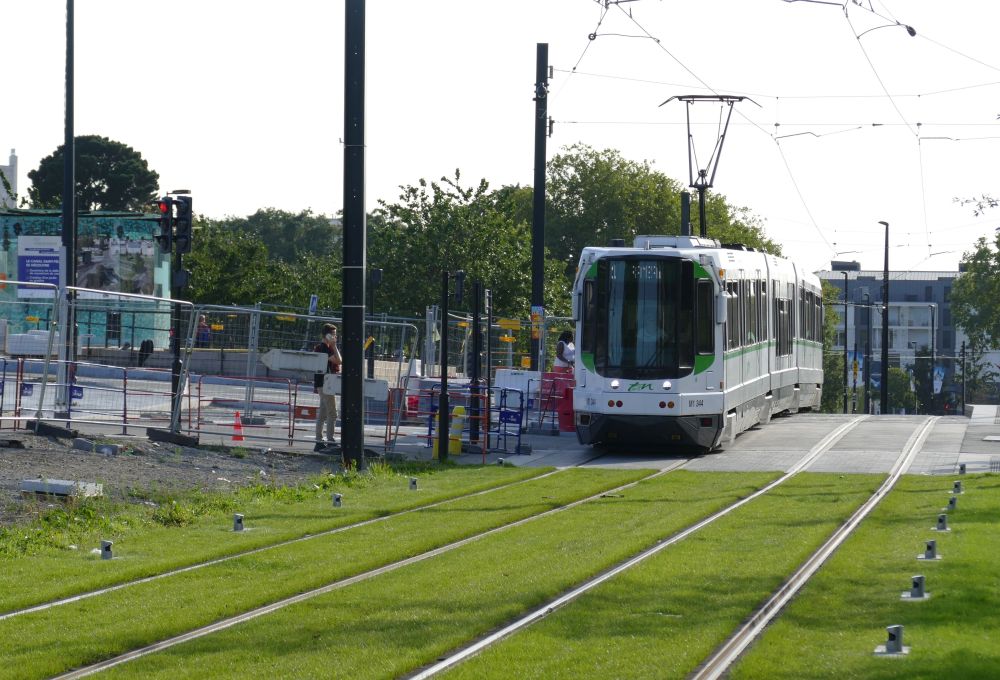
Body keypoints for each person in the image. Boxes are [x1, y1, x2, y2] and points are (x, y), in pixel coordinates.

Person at [313, 323, 342, 451]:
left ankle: (318, 441)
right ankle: (330, 440)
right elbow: (339, 360)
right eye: (334, 334)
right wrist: (334, 346)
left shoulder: (320, 347)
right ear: (328, 336)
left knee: (323, 413)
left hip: (323, 383)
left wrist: (333, 345)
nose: (336, 337)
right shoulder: (324, 348)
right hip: (326, 384)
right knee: (332, 413)